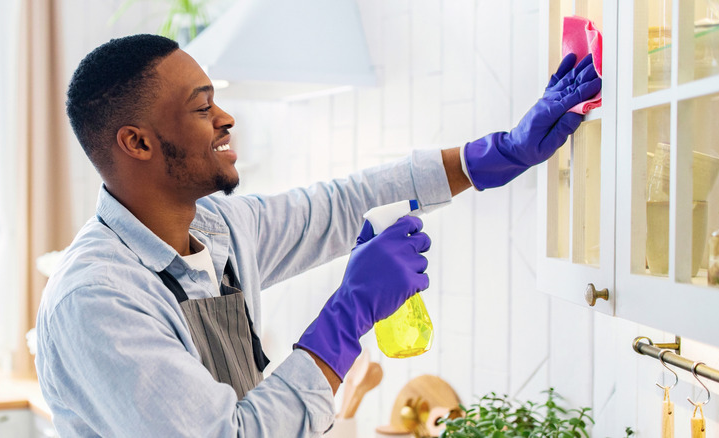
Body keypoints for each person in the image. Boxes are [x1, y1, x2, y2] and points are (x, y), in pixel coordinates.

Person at [35, 34, 600, 437]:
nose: (226, 117)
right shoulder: (98, 299)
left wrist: (491, 156)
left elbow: (344, 201)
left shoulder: (217, 228)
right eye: (203, 106)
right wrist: (348, 316)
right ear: (137, 143)